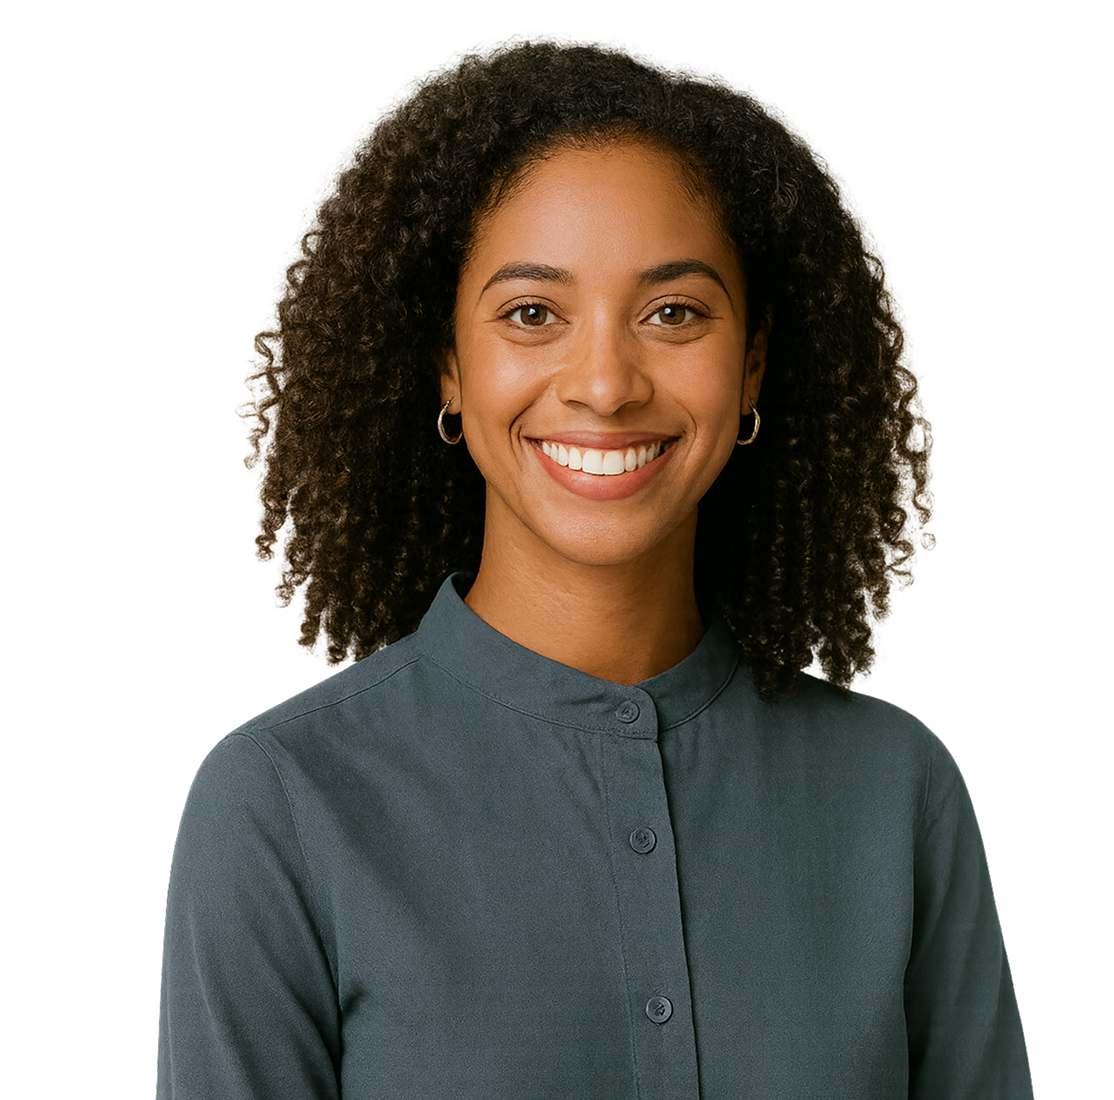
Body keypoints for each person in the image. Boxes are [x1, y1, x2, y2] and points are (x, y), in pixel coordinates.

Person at [157, 33, 1032, 1098]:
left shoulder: (899, 792)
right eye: (532, 314)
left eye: (674, 313)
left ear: (752, 361)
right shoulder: (280, 803)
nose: (606, 384)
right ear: (447, 363)